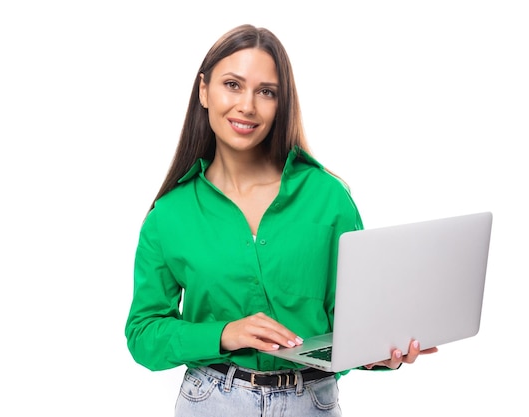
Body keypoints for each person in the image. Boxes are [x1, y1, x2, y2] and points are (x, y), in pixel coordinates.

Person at [125, 24, 438, 416]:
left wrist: (379, 353)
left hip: (312, 402)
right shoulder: (170, 213)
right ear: (204, 90)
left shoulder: (327, 197)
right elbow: (143, 334)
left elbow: (354, 320)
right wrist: (224, 333)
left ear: (281, 102)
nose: (248, 106)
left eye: (266, 92)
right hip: (213, 401)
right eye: (233, 85)